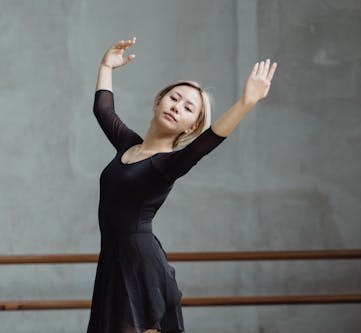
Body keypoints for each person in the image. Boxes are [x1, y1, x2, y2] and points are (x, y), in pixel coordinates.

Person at [87, 37, 277, 333]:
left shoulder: (168, 164)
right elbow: (103, 110)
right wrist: (106, 66)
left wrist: (246, 102)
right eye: (174, 98)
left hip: (140, 263)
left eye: (189, 108)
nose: (178, 107)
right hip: (113, 260)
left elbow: (210, 140)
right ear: (158, 101)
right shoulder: (128, 145)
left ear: (190, 127)